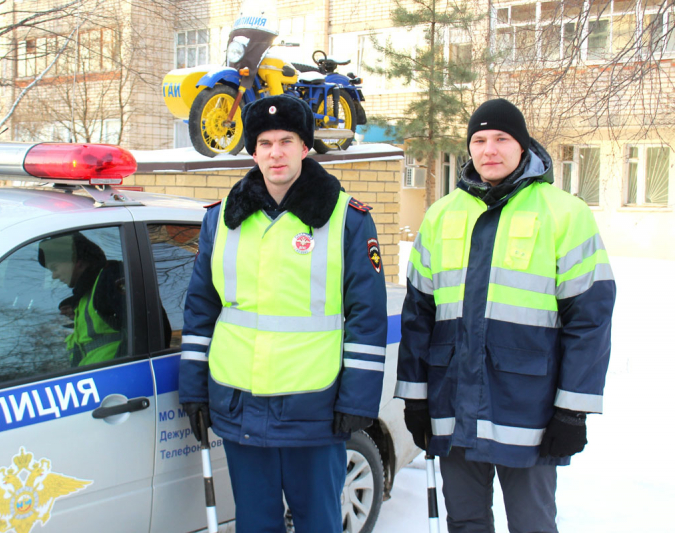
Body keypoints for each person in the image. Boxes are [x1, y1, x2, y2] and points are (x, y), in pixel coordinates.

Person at [396, 98, 616, 533]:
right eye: (479, 140)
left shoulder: (564, 213)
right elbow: (418, 316)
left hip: (529, 409)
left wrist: (573, 410)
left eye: (501, 139)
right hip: (453, 404)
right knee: (466, 522)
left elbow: (590, 319)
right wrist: (416, 397)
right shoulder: (441, 216)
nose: (489, 150)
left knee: (532, 524)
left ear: (522, 146)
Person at [178, 95, 387, 533]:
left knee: (319, 524)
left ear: (305, 147)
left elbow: (367, 319)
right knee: (255, 524)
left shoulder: (347, 220)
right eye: (266, 142)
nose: (276, 152)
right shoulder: (221, 222)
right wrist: (194, 390)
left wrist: (357, 401)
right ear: (252, 151)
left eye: (286, 141)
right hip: (239, 403)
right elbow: (201, 310)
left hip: (314, 406)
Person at [38, 232, 126, 367]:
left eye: (54, 268)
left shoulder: (110, 278)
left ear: (76, 260)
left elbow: (146, 331)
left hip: (115, 378)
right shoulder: (86, 297)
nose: (54, 276)